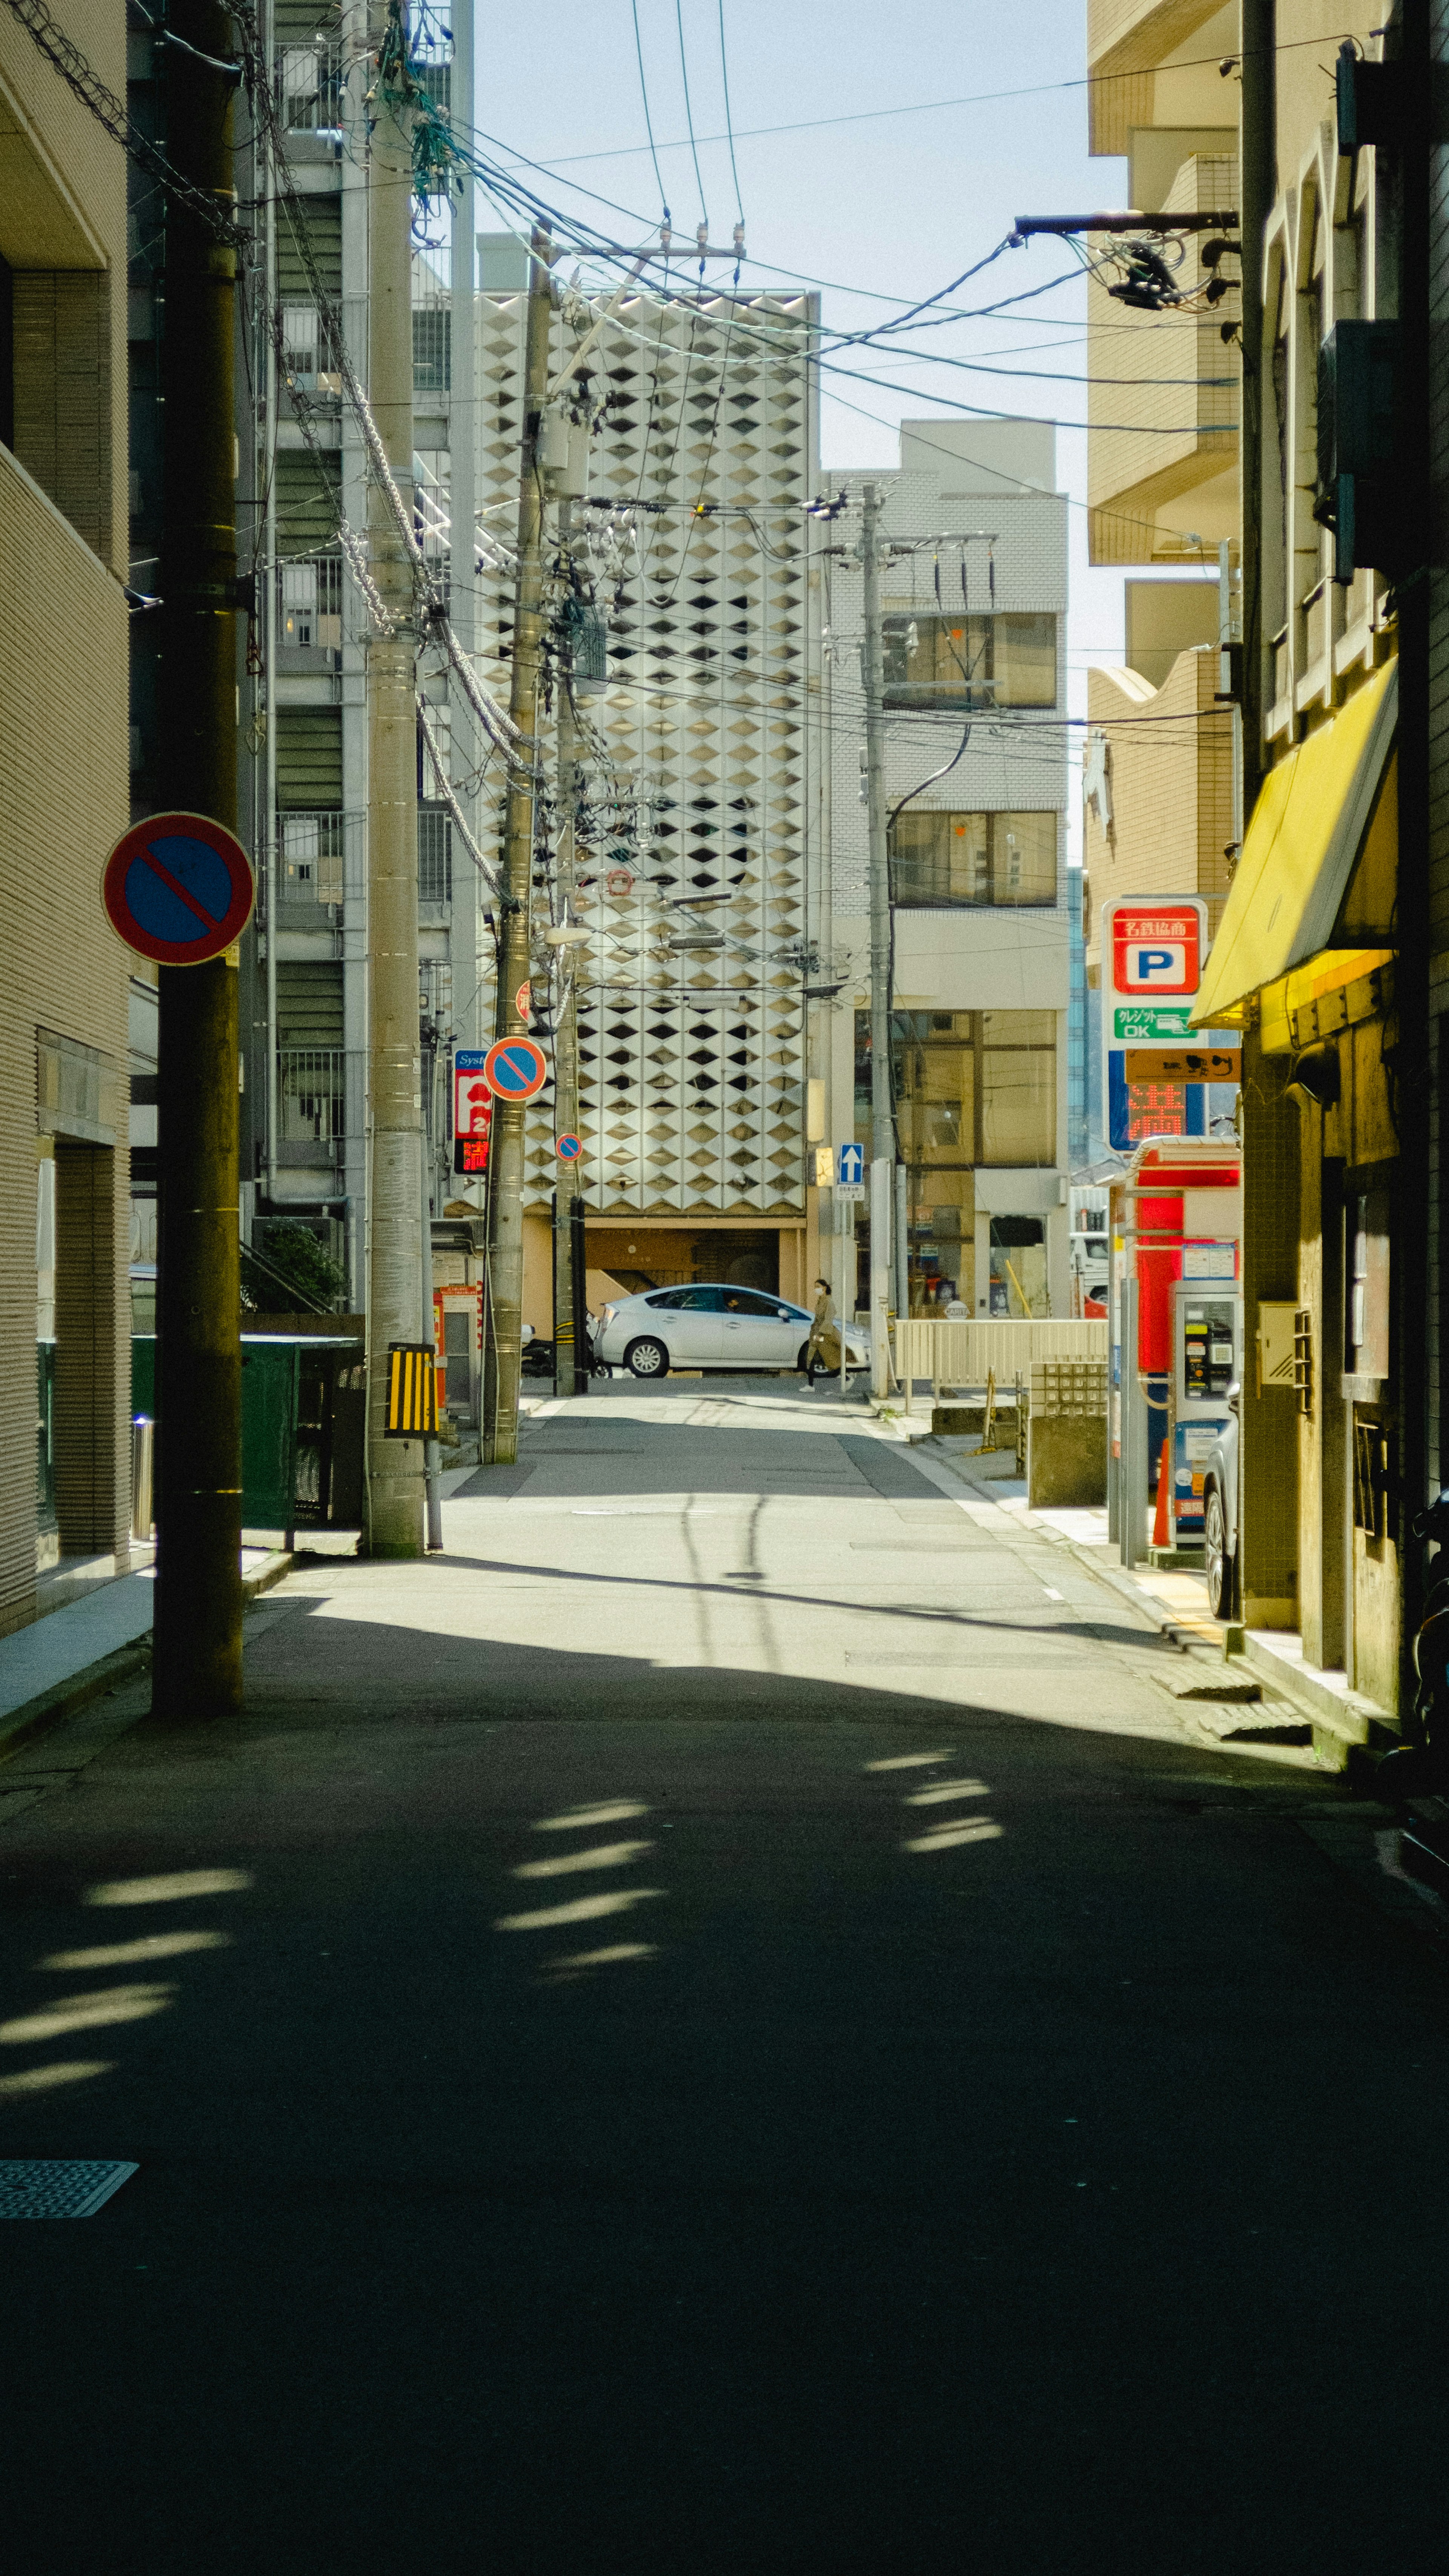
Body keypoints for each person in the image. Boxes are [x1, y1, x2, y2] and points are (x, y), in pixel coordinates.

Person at [803, 1276, 838, 1387]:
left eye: (818, 1287)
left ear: (824, 1288)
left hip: (824, 1334)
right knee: (812, 1357)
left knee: (826, 1357)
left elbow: (828, 1319)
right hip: (816, 1332)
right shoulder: (820, 1302)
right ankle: (810, 1385)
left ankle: (845, 1377)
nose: (816, 1289)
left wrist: (820, 1334)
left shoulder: (829, 1302)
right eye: (815, 1287)